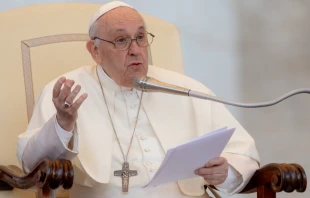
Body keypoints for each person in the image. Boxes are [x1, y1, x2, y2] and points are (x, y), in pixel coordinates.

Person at [16, 1, 260, 198]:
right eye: (122, 40)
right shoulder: (66, 91)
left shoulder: (185, 88)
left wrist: (226, 172)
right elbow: (31, 164)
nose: (136, 50)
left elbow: (242, 151)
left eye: (141, 37)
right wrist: (63, 124)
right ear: (95, 51)